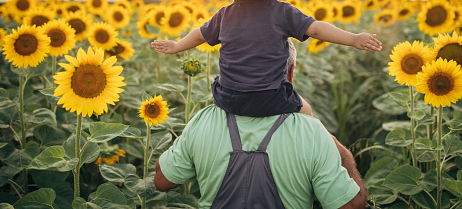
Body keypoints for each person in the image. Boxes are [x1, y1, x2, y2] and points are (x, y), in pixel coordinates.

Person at [152, 0, 382, 118]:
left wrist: (176, 46)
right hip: (269, 98)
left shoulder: (224, 14)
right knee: (308, 113)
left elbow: (199, 35)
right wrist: (353, 38)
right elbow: (317, 30)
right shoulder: (282, 12)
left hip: (227, 97)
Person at [154, 38, 368, 208]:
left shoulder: (204, 120)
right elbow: (350, 205)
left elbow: (162, 180)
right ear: (290, 74)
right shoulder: (311, 132)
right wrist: (342, 153)